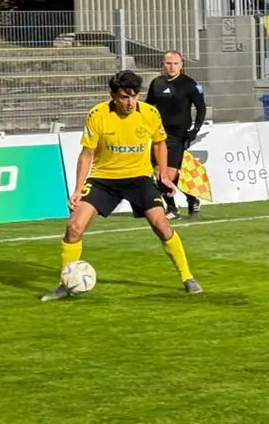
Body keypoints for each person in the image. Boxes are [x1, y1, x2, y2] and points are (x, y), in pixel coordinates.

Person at [41, 70, 201, 300]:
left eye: (134, 96)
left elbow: (159, 144)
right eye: (124, 97)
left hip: (139, 179)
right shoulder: (97, 115)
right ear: (113, 96)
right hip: (104, 179)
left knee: (162, 226)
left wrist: (163, 175)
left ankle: (187, 277)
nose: (130, 102)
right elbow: (86, 155)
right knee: (73, 227)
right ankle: (64, 285)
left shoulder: (149, 113)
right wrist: (77, 189)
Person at [145, 51, 206, 219]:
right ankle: (174, 208)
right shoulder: (156, 83)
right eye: (168, 63)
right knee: (159, 172)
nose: (171, 66)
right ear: (163, 64)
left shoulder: (190, 84)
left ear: (181, 65)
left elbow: (201, 108)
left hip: (178, 135)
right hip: (159, 134)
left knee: (168, 174)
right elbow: (148, 106)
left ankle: (189, 201)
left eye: (175, 63)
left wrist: (195, 130)